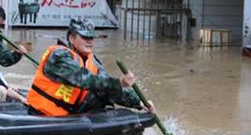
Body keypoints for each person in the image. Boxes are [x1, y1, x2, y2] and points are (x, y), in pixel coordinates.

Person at [27, 18, 155, 116]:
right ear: (71, 39)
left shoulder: (92, 61)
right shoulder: (59, 56)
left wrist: (138, 102)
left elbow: (105, 84)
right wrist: (119, 82)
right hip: (43, 114)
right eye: (84, 37)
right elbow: (85, 79)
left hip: (69, 113)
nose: (89, 41)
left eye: (91, 37)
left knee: (104, 96)